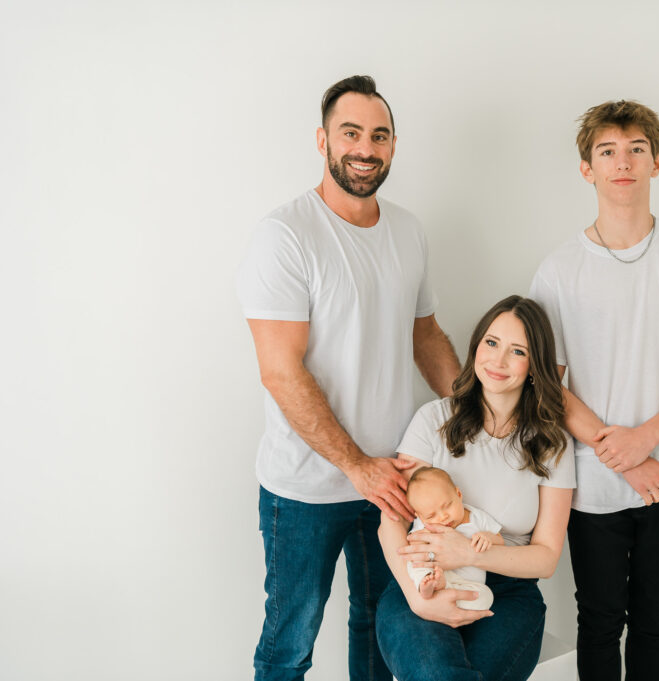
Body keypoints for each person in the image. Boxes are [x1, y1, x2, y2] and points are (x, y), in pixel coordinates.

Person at [236, 75, 460, 681]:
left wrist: (471, 413)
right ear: (322, 140)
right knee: (290, 642)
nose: (366, 147)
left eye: (379, 135)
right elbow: (280, 372)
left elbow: (426, 334)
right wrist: (355, 465)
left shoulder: (409, 230)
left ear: (393, 146)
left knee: (379, 628)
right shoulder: (285, 236)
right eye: (351, 132)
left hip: (393, 480)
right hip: (305, 487)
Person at [528, 100, 659, 681]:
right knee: (597, 622)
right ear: (586, 168)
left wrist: (647, 441)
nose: (622, 162)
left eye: (636, 150)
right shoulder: (558, 270)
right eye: (607, 151)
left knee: (655, 621)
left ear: (657, 162)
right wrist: (619, 455)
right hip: (592, 485)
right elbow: (546, 383)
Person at [374, 295, 575, 681]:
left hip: (508, 593)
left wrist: (468, 552)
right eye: (491, 342)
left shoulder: (552, 443)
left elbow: (546, 558)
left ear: (535, 366)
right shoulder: (434, 419)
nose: (498, 361)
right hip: (421, 576)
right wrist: (418, 598)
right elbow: (392, 522)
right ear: (476, 346)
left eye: (518, 351)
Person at [404, 466, 503, 610]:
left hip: (468, 585)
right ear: (419, 516)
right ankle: (428, 586)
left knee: (486, 597)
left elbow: (501, 541)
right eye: (431, 516)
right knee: (414, 563)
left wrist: (487, 537)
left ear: (458, 494)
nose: (443, 517)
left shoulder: (476, 518)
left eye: (447, 506)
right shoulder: (425, 526)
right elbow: (413, 545)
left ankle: (444, 593)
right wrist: (425, 535)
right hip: (435, 575)